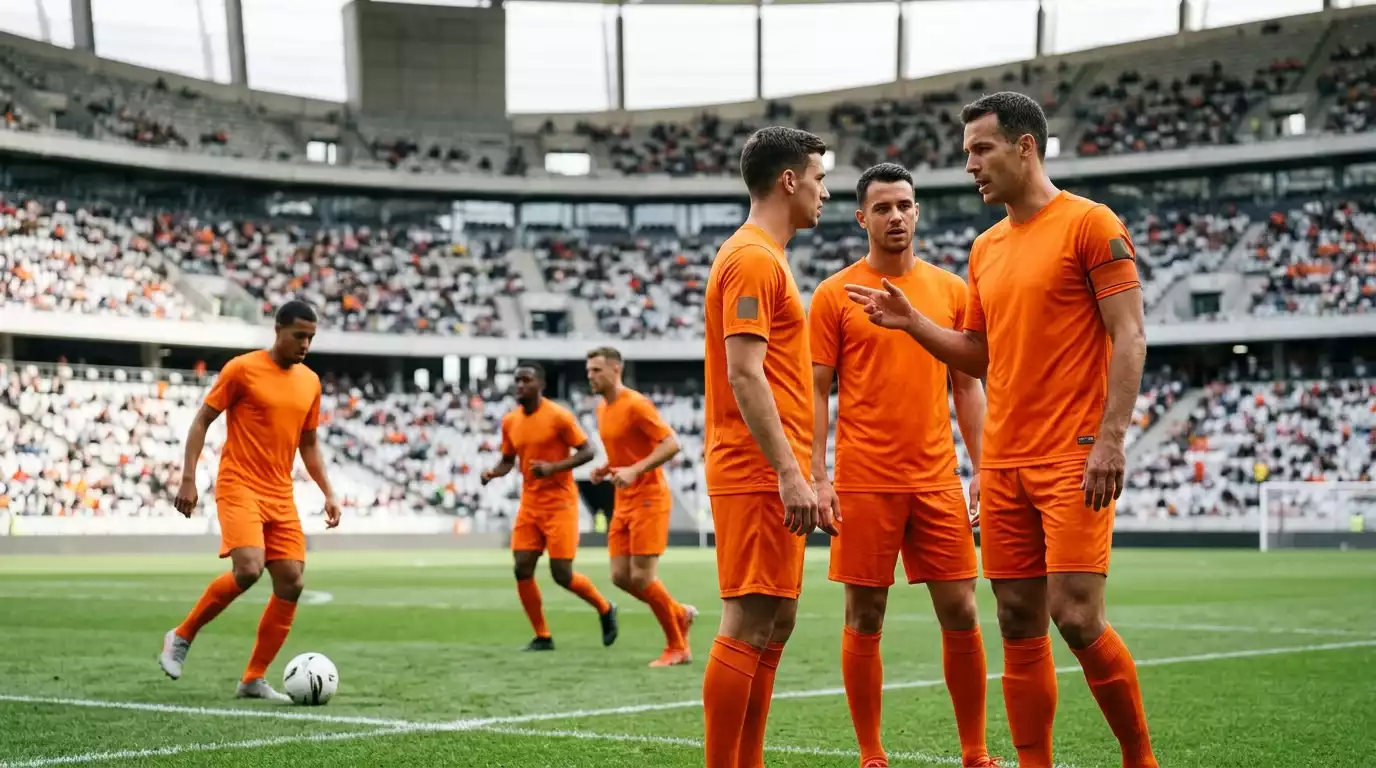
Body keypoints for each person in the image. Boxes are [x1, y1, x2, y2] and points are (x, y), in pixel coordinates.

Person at [845, 91, 1157, 768]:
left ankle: (1140, 759)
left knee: (1075, 615)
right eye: (966, 154)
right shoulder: (985, 248)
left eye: (980, 150)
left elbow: (1130, 336)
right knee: (1017, 619)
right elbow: (979, 357)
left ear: (1024, 147)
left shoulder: (1091, 224)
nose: (970, 166)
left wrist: (1111, 439)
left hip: (1073, 453)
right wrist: (914, 324)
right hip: (1005, 462)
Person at [810, 163, 998, 768]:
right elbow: (816, 391)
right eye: (884, 207)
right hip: (863, 480)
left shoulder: (951, 291)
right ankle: (871, 755)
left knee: (964, 610)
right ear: (862, 216)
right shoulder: (834, 295)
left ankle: (975, 752)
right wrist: (817, 475)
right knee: (865, 614)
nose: (896, 216)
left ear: (918, 213)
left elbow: (968, 388)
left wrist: (984, 467)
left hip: (938, 478)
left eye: (906, 206)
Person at [701, 125, 833, 768]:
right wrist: (789, 472)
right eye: (820, 178)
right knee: (749, 622)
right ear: (789, 180)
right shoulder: (752, 257)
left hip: (771, 470)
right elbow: (744, 372)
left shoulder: (766, 256)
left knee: (774, 622)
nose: (825, 193)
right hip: (755, 469)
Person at [159, 300, 341, 702]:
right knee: (249, 568)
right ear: (277, 330)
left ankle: (253, 679)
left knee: (292, 583)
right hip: (239, 483)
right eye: (299, 336)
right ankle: (182, 635)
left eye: (311, 337)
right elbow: (202, 420)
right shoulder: (242, 369)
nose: (305, 344)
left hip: (280, 492)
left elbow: (308, 443)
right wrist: (189, 479)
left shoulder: (310, 382)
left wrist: (327, 491)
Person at [482, 362, 618, 652]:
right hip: (530, 504)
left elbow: (588, 450)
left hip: (560, 504)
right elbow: (508, 460)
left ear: (540, 385)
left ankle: (605, 607)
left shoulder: (558, 416)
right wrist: (493, 473)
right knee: (522, 567)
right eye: (517, 380)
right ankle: (542, 636)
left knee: (562, 574)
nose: (519, 385)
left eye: (526, 380)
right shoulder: (510, 421)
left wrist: (554, 467)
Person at [585, 347, 699, 667]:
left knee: (644, 577)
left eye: (596, 370)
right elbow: (626, 451)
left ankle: (678, 647)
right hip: (624, 500)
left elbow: (672, 443)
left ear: (616, 369)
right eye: (589, 371)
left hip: (649, 497)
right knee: (621, 577)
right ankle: (678, 612)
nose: (590, 376)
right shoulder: (601, 410)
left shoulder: (636, 404)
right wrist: (607, 468)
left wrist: (635, 470)